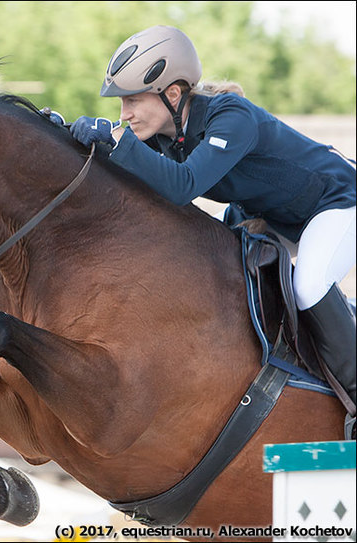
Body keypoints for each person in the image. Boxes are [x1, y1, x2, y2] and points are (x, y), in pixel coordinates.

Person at [68, 25, 356, 436]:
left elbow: (183, 186)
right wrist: (77, 138)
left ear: (172, 94)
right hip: (275, 217)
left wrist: (116, 142)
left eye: (132, 101)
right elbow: (127, 169)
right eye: (120, 105)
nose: (124, 114)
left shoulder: (230, 116)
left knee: (309, 284)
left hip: (338, 203)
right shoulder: (167, 136)